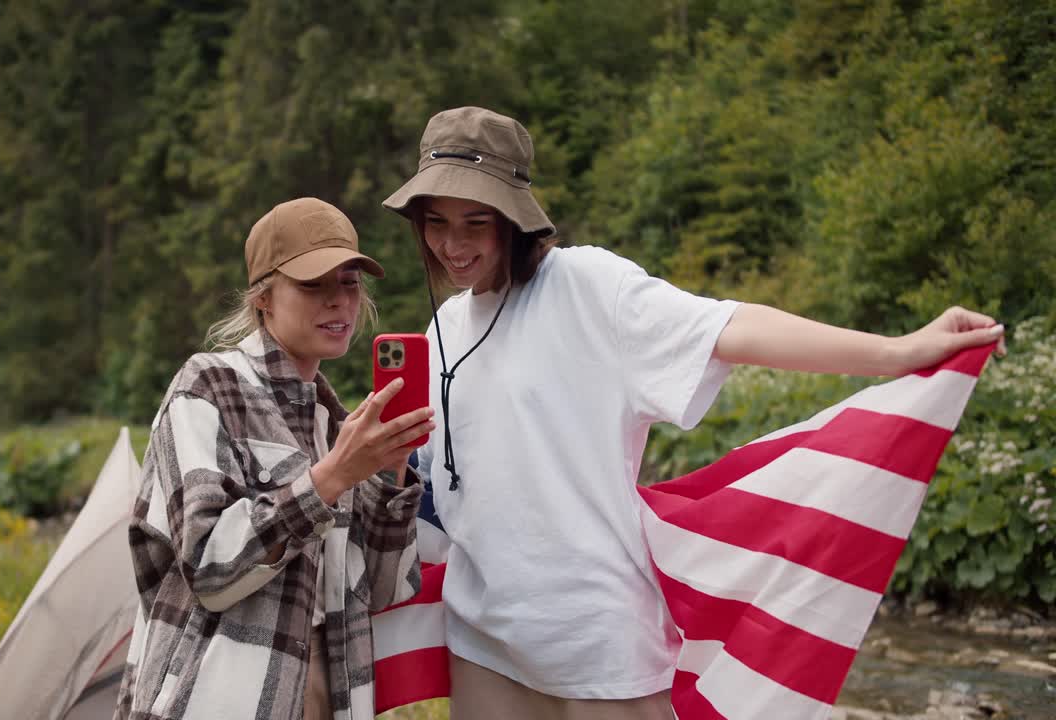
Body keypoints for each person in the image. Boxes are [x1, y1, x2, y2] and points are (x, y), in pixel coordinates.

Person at [381, 106, 1006, 720]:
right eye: (435, 222)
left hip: (598, 648)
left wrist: (899, 353)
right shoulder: (444, 330)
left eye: (475, 222)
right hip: (482, 645)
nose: (452, 245)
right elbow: (446, 492)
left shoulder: (590, 289)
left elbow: (733, 326)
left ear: (513, 219)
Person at [114, 197, 435, 720]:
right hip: (215, 699)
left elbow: (383, 590)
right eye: (313, 284)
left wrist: (387, 472)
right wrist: (331, 479)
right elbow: (209, 568)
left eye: (350, 282)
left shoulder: (336, 426)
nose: (339, 301)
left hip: (326, 694)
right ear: (263, 296)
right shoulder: (208, 387)